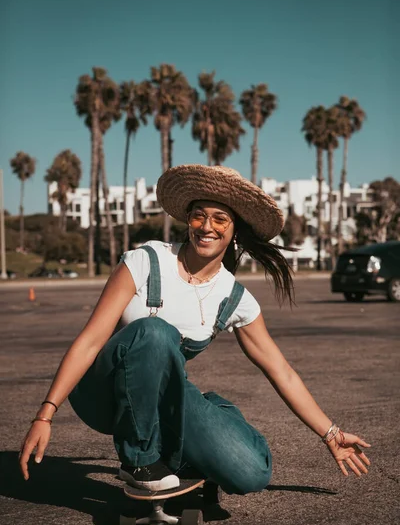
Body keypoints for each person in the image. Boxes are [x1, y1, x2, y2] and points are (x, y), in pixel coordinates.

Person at [19, 164, 371, 494]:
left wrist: (330, 433)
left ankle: (192, 434)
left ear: (234, 230)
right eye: (199, 215)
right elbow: (91, 340)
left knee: (250, 473)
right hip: (103, 393)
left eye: (220, 219)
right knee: (156, 332)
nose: (207, 226)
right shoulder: (146, 261)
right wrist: (45, 414)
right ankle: (139, 462)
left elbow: (281, 371)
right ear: (187, 220)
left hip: (163, 399)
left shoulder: (233, 297)